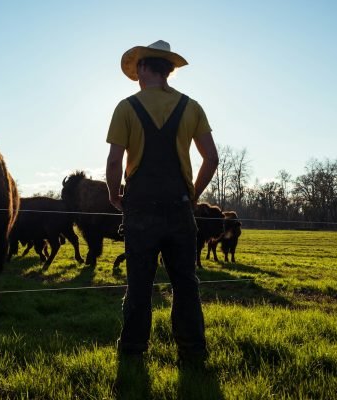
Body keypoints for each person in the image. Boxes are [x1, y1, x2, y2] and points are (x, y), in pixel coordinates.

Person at [105, 40, 219, 364]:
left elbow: (114, 163)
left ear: (142, 67)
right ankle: (193, 353)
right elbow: (211, 158)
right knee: (186, 284)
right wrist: (192, 194)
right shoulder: (192, 107)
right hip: (180, 207)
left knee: (139, 284)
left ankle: (132, 353)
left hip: (139, 208)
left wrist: (114, 195)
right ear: (168, 69)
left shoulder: (126, 107)